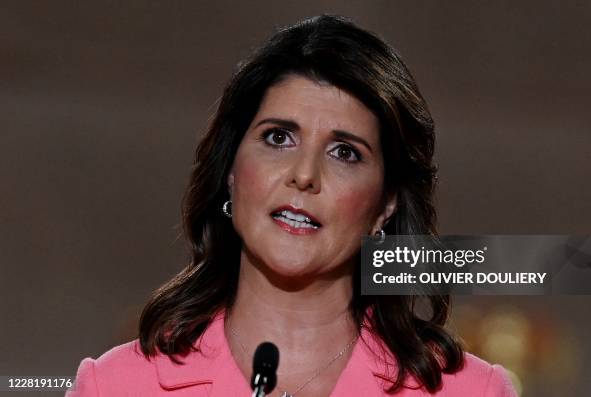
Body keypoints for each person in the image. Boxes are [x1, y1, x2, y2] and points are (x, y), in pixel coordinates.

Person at [68, 15, 517, 397]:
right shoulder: (115, 386)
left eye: (345, 152)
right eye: (278, 137)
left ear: (386, 205)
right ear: (230, 170)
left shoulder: (472, 391)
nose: (304, 175)